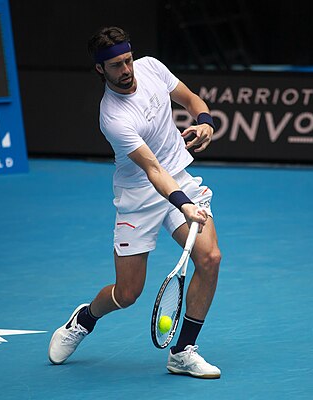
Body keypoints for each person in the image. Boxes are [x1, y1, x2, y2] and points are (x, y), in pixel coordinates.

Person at [48, 26, 222, 379]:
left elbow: (191, 100)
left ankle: (183, 351)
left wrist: (205, 122)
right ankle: (84, 319)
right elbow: (153, 170)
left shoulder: (152, 68)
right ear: (100, 70)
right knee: (128, 294)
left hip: (180, 179)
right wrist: (183, 204)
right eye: (115, 66)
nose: (126, 70)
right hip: (140, 196)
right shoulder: (113, 116)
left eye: (127, 60)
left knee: (210, 258)